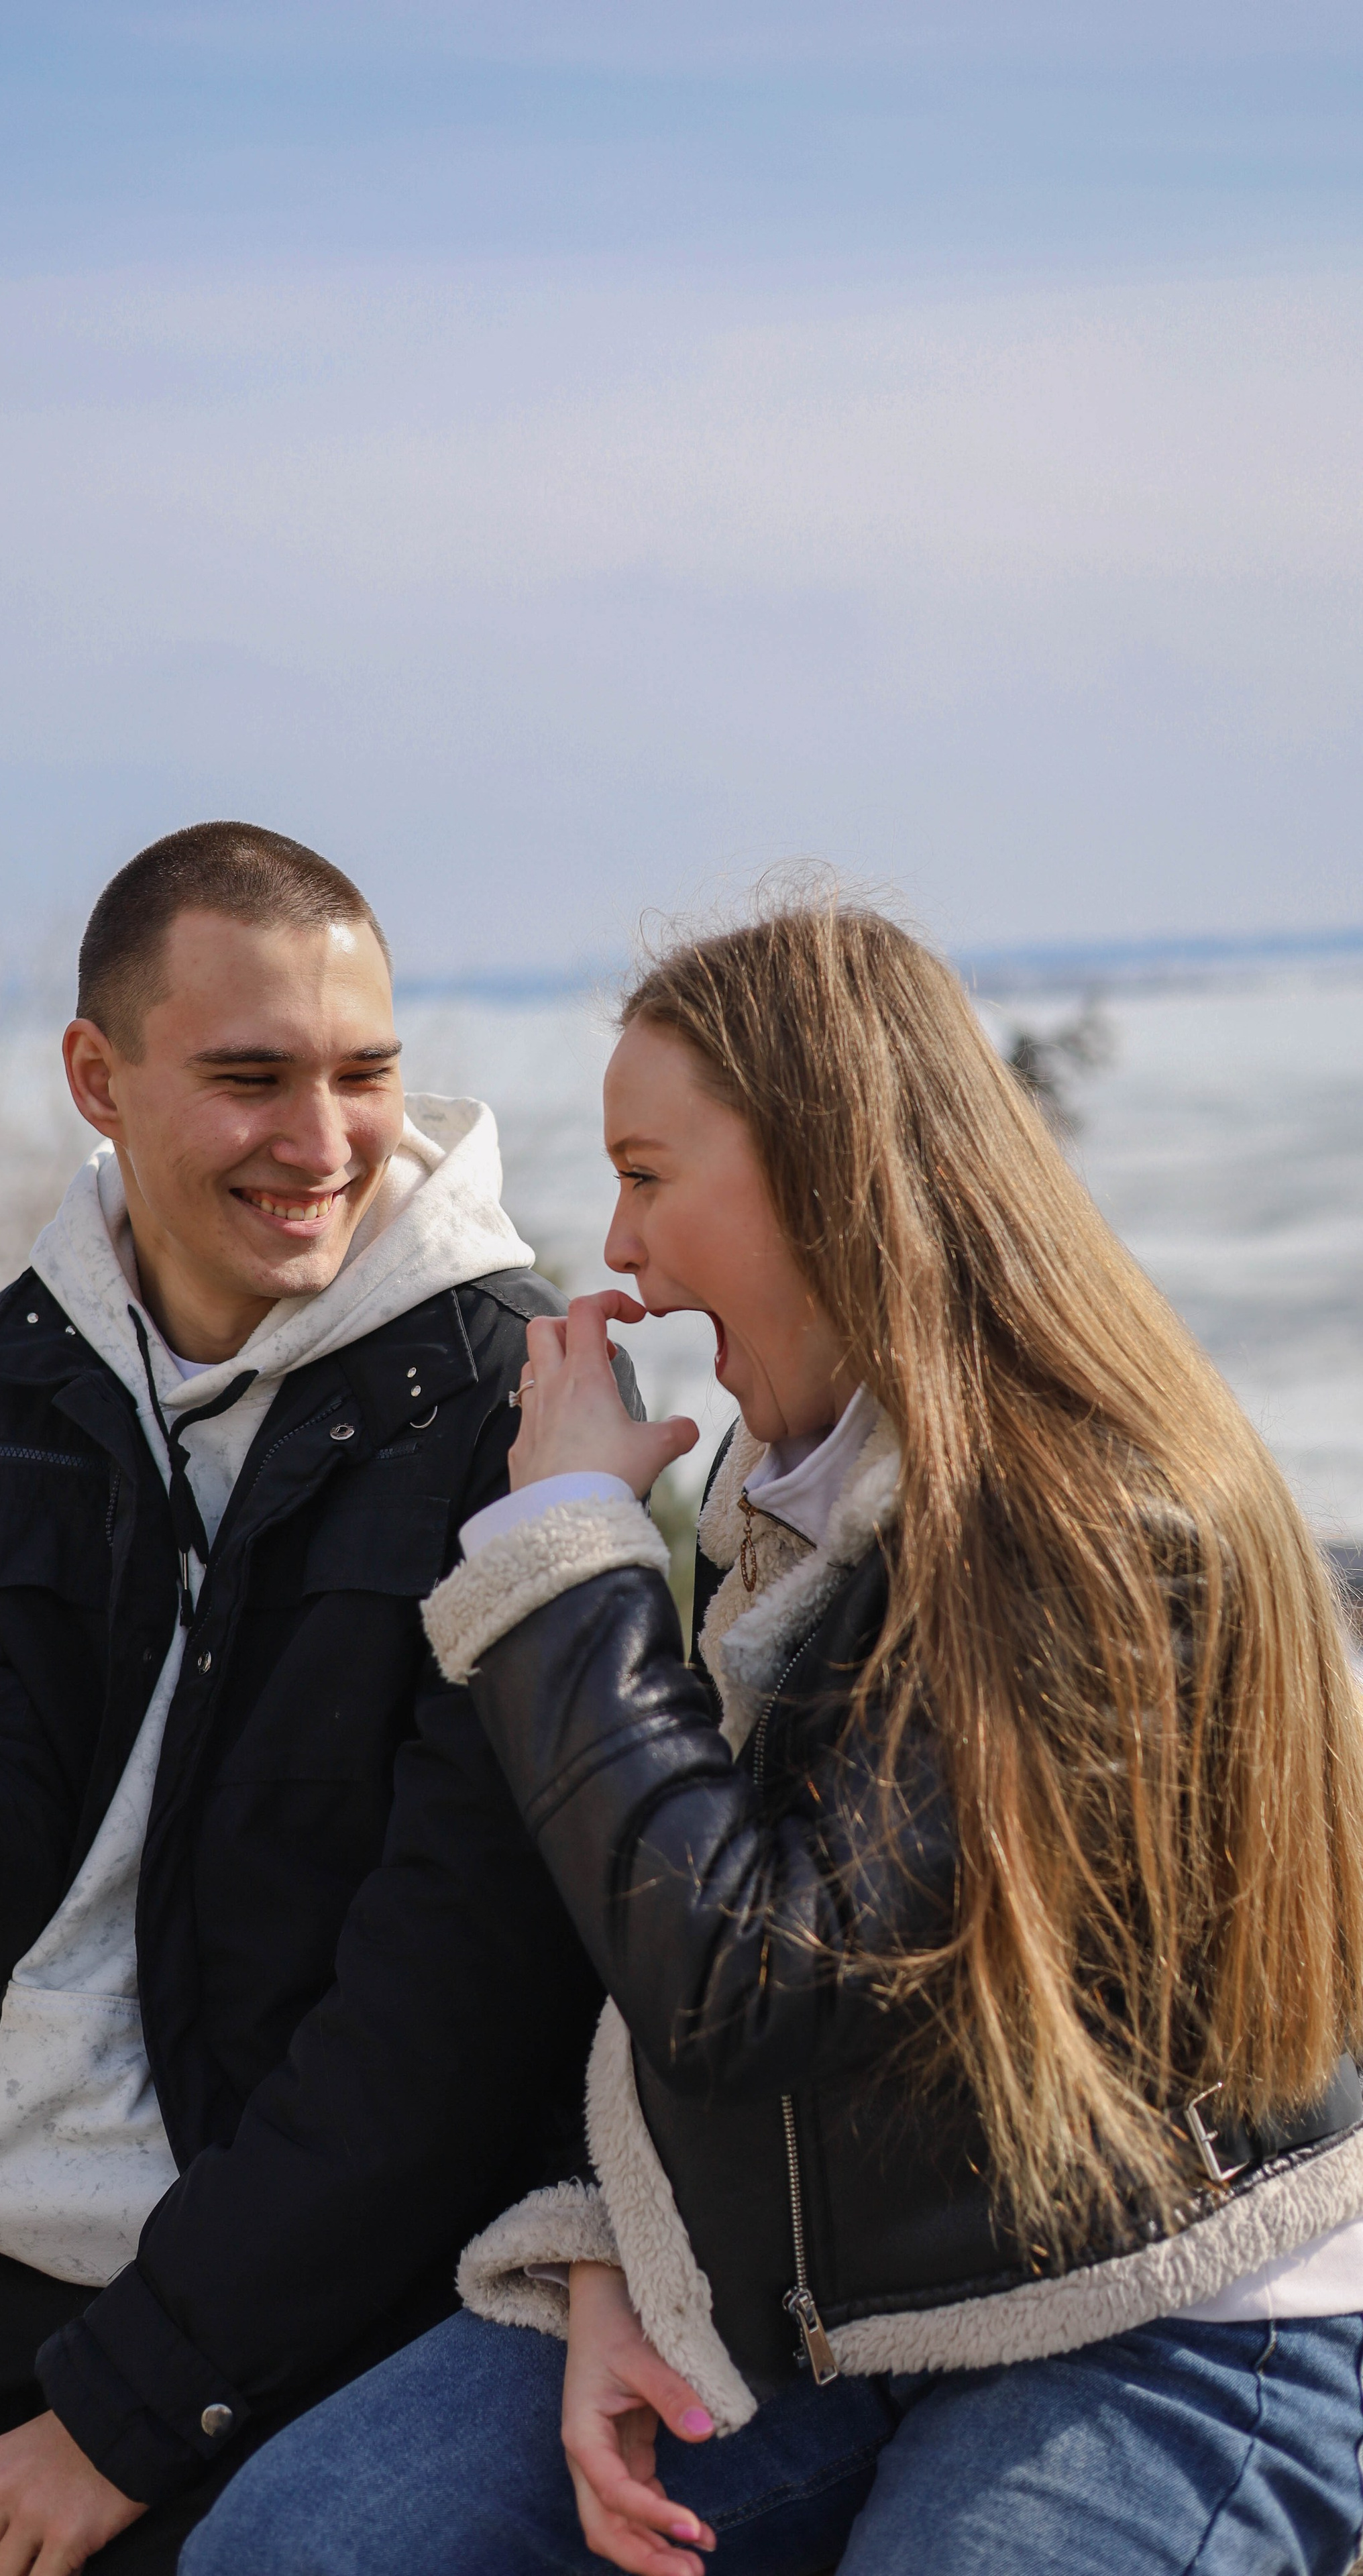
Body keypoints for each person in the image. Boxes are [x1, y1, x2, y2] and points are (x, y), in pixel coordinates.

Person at [186, 894, 1363, 2576]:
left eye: (650, 1175)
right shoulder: (793, 1486)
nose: (620, 1252)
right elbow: (671, 1919)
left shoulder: (1088, 1534)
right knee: (302, 2550)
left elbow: (749, 1978)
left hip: (1155, 2316)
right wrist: (609, 2248)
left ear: (824, 1172)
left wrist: (571, 1556)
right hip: (846, 2303)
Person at [0, 821, 619, 2575]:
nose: (320, 1143)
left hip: (328, 2284)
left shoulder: (510, 1410)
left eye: (365, 1075)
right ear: (99, 1077)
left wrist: (134, 2410)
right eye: (251, 1078)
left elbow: (449, 2021)